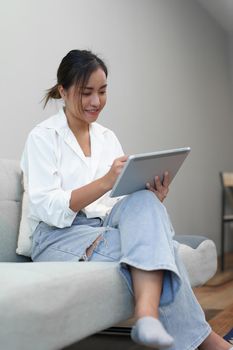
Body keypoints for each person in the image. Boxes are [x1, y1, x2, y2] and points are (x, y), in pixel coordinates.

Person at [21, 49, 232, 350]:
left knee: (144, 201)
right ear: (62, 91)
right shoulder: (43, 137)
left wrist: (151, 197)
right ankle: (200, 339)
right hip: (58, 236)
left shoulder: (107, 137)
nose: (96, 102)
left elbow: (118, 201)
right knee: (161, 248)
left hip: (106, 226)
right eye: (86, 93)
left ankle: (148, 317)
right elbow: (47, 208)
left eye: (103, 92)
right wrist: (105, 181)